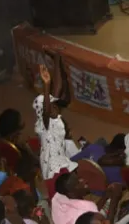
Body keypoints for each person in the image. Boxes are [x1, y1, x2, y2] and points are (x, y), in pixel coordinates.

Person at [37, 65, 77, 196]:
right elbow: (46, 111)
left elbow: (57, 91)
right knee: (58, 196)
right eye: (51, 107)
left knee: (70, 191)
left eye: (55, 106)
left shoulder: (55, 120)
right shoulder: (45, 126)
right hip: (53, 168)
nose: (55, 109)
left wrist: (57, 60)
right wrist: (46, 85)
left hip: (61, 161)